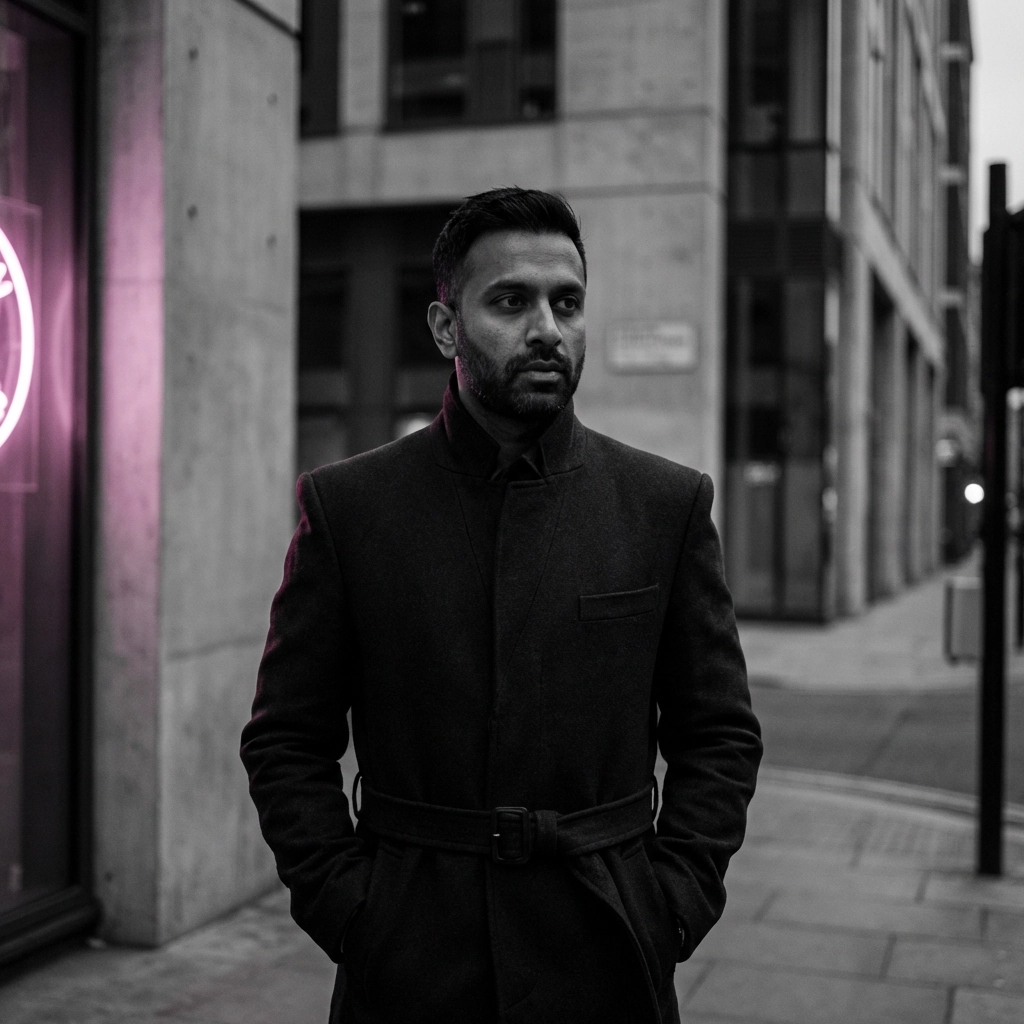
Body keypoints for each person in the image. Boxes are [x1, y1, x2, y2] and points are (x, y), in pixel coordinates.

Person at [240, 187, 762, 1024]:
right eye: (511, 302)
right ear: (447, 327)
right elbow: (286, 739)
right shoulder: (352, 507)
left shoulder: (664, 506)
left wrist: (671, 904)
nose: (547, 329)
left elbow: (720, 734)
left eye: (568, 302)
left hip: (611, 948)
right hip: (411, 961)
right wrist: (353, 911)